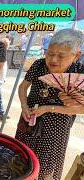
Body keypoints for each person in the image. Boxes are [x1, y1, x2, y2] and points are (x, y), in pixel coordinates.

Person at [16, 29, 84, 180]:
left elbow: (82, 108)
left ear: (76, 56)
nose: (53, 59)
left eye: (61, 56)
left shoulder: (80, 73)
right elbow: (22, 87)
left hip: (55, 129)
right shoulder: (39, 65)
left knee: (45, 168)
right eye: (50, 53)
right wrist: (24, 106)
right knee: (20, 160)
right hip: (29, 120)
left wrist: (49, 108)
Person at [0, 37, 11, 120]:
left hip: (0, 80)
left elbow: (4, 68)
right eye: (6, 45)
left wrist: (3, 79)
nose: (6, 46)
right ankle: (2, 113)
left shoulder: (3, 53)